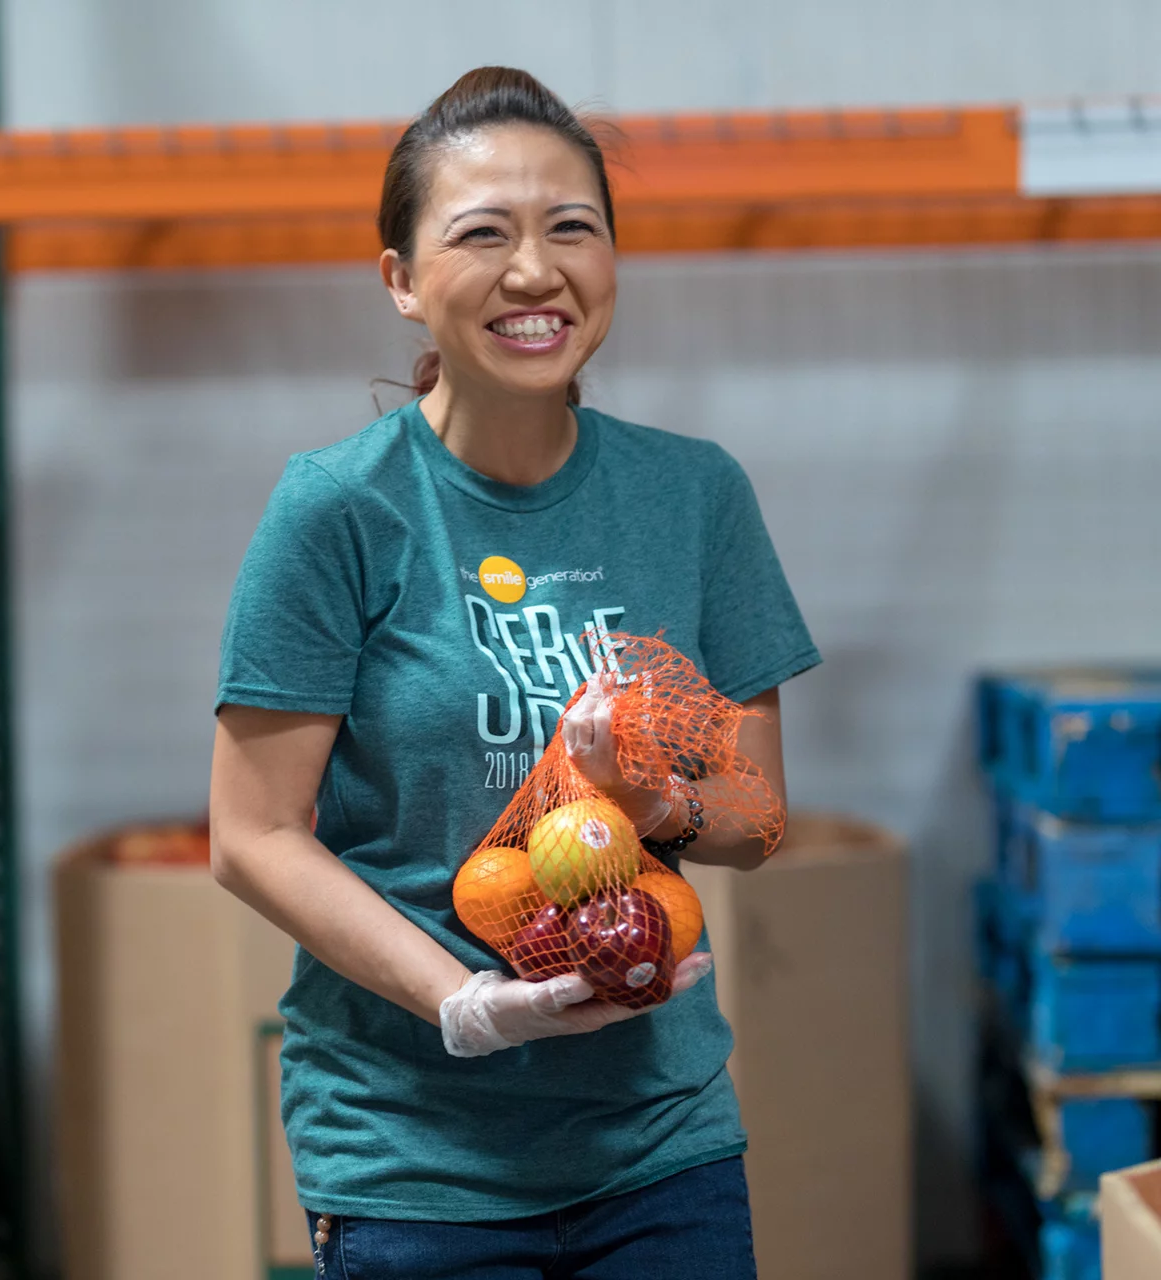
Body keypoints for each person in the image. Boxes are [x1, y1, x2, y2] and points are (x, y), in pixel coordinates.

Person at [208, 66, 821, 1279]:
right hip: (414, 1152)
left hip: (659, 1138)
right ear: (401, 280)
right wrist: (462, 1002)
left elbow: (754, 817)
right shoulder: (339, 508)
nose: (534, 272)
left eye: (572, 229)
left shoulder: (694, 494)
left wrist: (646, 801)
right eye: (481, 233)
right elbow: (253, 833)